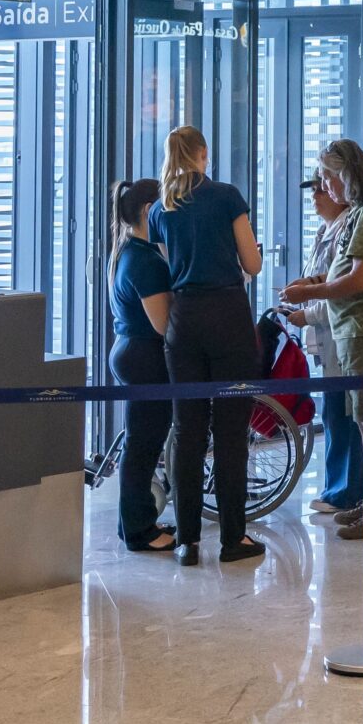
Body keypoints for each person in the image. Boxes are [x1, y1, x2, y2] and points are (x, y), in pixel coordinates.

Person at [278, 139, 363, 542]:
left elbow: (359, 279)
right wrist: (312, 282)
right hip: (354, 330)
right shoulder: (361, 214)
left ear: (345, 176)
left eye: (327, 179)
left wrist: (310, 294)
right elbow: (344, 269)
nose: (325, 188)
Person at [147, 126, 265, 566]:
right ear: (203, 154)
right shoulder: (226, 196)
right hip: (228, 316)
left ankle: (187, 540)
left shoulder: (161, 209)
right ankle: (234, 537)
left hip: (185, 322)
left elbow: (170, 265)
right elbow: (251, 261)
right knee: (231, 432)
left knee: (187, 431)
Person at [283, 173, 363, 520]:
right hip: (325, 338)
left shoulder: (349, 229)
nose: (316, 196)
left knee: (345, 414)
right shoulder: (324, 231)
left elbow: (340, 290)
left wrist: (308, 313)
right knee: (334, 413)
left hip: (341, 334)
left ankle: (348, 490)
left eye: (321, 189)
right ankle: (338, 486)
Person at [109, 178, 177, 554]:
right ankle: (140, 530)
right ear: (151, 210)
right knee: (143, 446)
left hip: (129, 351)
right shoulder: (146, 260)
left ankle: (134, 522)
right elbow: (163, 323)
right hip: (144, 356)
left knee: (141, 443)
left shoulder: (127, 251)